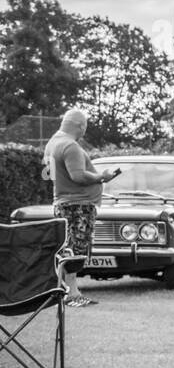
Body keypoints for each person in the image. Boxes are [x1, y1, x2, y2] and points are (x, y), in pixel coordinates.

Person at [43, 109, 119, 307]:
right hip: (78, 206)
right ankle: (73, 293)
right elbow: (78, 176)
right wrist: (102, 177)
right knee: (76, 247)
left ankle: (65, 290)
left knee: (66, 245)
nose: (85, 129)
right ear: (80, 126)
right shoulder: (70, 146)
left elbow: (48, 175)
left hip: (62, 203)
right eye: (85, 125)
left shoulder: (51, 144)